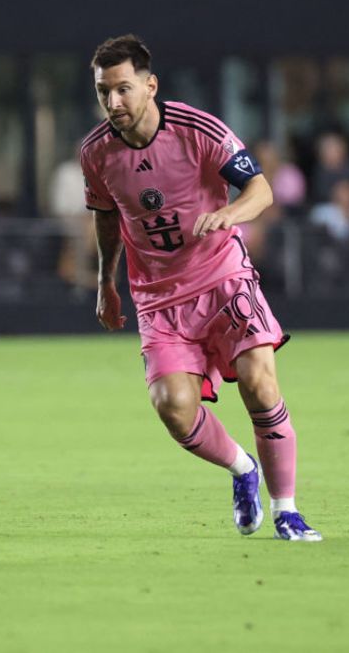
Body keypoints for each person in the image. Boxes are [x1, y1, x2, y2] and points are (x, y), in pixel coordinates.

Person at [80, 35, 321, 542]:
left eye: (123, 89)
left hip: (222, 277)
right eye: (104, 91)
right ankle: (242, 469)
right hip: (159, 298)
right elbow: (106, 217)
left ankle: (287, 510)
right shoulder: (96, 153)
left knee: (259, 382)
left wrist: (229, 214)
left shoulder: (198, 129)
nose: (113, 102)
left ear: (151, 85)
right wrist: (106, 281)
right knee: (173, 406)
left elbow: (260, 189)